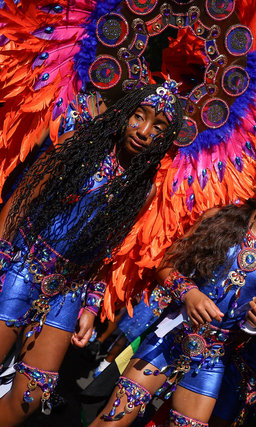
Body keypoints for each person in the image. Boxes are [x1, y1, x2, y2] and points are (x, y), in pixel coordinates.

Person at [0, 80, 184, 425]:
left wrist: (89, 304)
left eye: (157, 127)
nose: (144, 131)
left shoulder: (143, 190)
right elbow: (19, 203)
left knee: (32, 397)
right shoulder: (79, 145)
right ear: (124, 114)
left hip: (67, 292)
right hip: (21, 265)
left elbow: (105, 250)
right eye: (139, 117)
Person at [91, 158, 256, 427]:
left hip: (212, 360)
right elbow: (166, 265)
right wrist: (189, 294)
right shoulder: (220, 218)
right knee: (112, 420)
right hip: (169, 338)